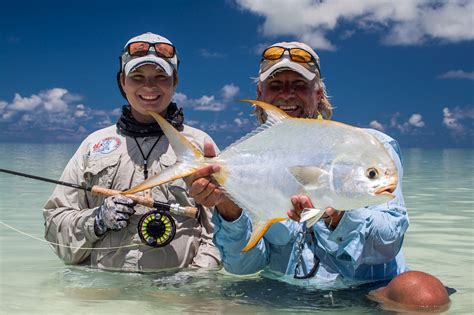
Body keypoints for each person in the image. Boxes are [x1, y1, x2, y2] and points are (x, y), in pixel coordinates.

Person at [186, 41, 409, 287]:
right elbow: (244, 267)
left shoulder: (370, 146)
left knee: (422, 293)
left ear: (319, 94)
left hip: (363, 292)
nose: (286, 94)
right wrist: (227, 205)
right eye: (276, 85)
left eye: (299, 85)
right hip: (288, 294)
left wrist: (337, 216)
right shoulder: (253, 160)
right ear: (261, 95)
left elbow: (388, 244)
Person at [43, 32, 220, 272]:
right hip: (105, 296)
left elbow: (221, 229)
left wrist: (197, 277)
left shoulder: (200, 144)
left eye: (160, 76)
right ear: (122, 81)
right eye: (137, 77)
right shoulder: (92, 145)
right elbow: (55, 224)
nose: (149, 86)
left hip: (178, 299)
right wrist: (96, 221)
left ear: (175, 80)